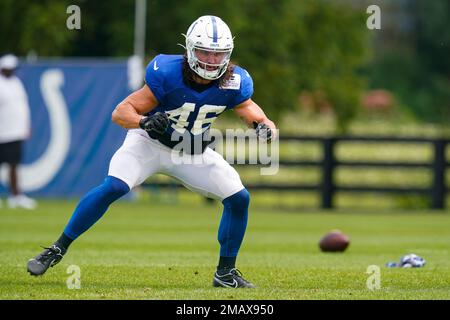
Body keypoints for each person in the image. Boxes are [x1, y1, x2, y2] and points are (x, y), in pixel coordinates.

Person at [27, 15, 276, 288]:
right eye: (205, 52)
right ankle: (57, 248)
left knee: (239, 198)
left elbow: (253, 112)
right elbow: (121, 112)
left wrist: (264, 126)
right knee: (115, 187)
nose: (211, 60)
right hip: (148, 142)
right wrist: (143, 121)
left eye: (218, 55)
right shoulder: (167, 72)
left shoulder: (234, 80)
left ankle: (225, 273)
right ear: (190, 50)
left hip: (191, 150)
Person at [0, 54, 37, 210]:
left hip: (16, 132)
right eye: (9, 68)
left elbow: (22, 106)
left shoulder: (16, 82)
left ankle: (15, 196)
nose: (12, 71)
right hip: (2, 132)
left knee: (14, 165)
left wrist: (25, 126)